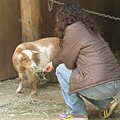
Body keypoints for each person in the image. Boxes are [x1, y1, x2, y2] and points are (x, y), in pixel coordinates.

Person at [43, 3, 120, 120]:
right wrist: (53, 63)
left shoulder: (71, 30)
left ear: (63, 18)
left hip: (100, 86)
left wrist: (56, 65)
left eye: (58, 19)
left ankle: (77, 113)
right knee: (82, 78)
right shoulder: (89, 28)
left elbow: (68, 63)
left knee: (61, 70)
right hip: (115, 83)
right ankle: (107, 104)